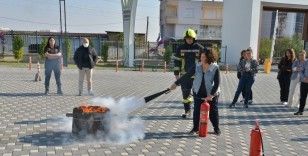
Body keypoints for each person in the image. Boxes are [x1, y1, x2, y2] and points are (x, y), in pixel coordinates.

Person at [170, 48, 221, 135]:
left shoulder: (215, 67)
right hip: (198, 92)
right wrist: (175, 83)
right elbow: (187, 76)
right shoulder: (197, 66)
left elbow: (217, 83)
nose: (202, 59)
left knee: (213, 111)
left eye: (205, 57)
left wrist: (211, 95)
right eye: (201, 57)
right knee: (196, 111)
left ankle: (216, 128)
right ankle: (195, 128)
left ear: (210, 57)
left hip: (211, 93)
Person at [173, 28, 203, 118]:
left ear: (194, 38)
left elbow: (206, 60)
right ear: (185, 39)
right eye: (187, 38)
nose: (189, 40)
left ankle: (199, 112)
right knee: (185, 94)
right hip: (184, 75)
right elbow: (176, 62)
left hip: (198, 75)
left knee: (198, 94)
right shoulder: (180, 48)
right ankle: (187, 111)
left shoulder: (199, 48)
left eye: (190, 38)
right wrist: (176, 75)